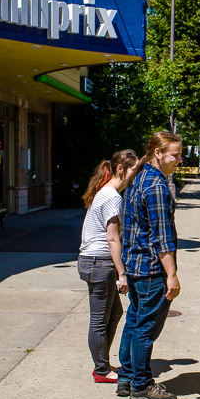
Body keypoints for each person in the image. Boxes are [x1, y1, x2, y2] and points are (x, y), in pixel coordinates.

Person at [117, 131, 184, 399]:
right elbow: (162, 237)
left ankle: (126, 378)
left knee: (134, 321)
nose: (180, 160)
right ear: (158, 153)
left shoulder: (138, 177)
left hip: (134, 265)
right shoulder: (156, 185)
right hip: (151, 269)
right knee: (145, 328)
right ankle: (142, 386)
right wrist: (172, 275)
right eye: (175, 155)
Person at [78, 149, 140, 384]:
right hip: (99, 263)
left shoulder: (105, 192)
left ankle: (102, 362)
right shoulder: (112, 197)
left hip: (94, 261)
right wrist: (122, 274)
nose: (135, 176)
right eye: (134, 170)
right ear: (121, 169)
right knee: (99, 320)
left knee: (114, 314)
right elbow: (113, 238)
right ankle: (102, 370)